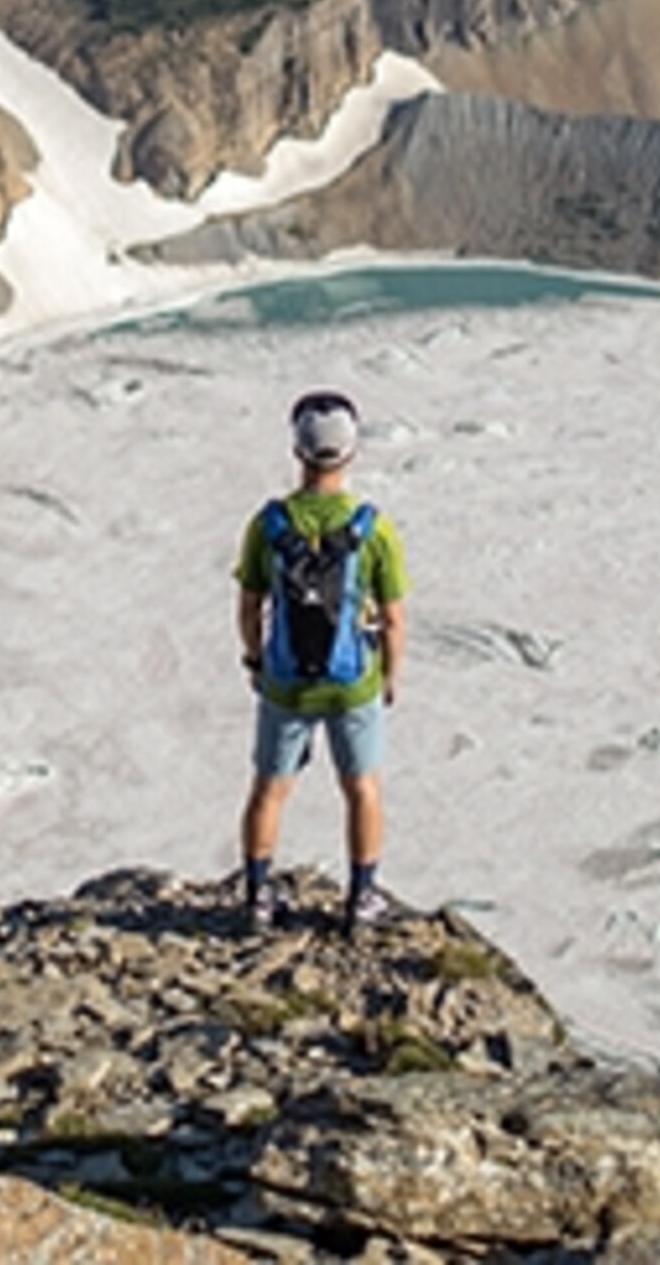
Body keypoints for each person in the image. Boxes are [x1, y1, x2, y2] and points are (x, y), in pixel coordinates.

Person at [235, 388, 407, 935]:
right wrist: (390, 675)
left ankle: (259, 896)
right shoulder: (372, 528)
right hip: (351, 679)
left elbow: (249, 603)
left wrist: (258, 660)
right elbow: (396, 617)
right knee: (362, 787)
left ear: (297, 449)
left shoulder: (268, 526)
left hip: (286, 682)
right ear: (351, 450)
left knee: (269, 787)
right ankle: (362, 899)